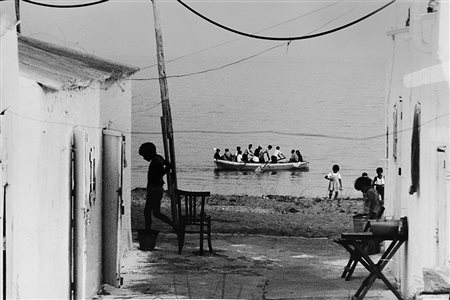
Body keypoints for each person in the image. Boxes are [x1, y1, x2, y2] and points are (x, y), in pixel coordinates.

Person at [139, 142, 175, 232]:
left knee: (148, 212)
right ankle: (173, 225)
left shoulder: (156, 161)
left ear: (149, 153)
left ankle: (148, 230)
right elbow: (166, 165)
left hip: (154, 190)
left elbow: (160, 173)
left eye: (144, 156)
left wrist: (166, 169)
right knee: (156, 213)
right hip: (156, 189)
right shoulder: (158, 158)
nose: (144, 158)